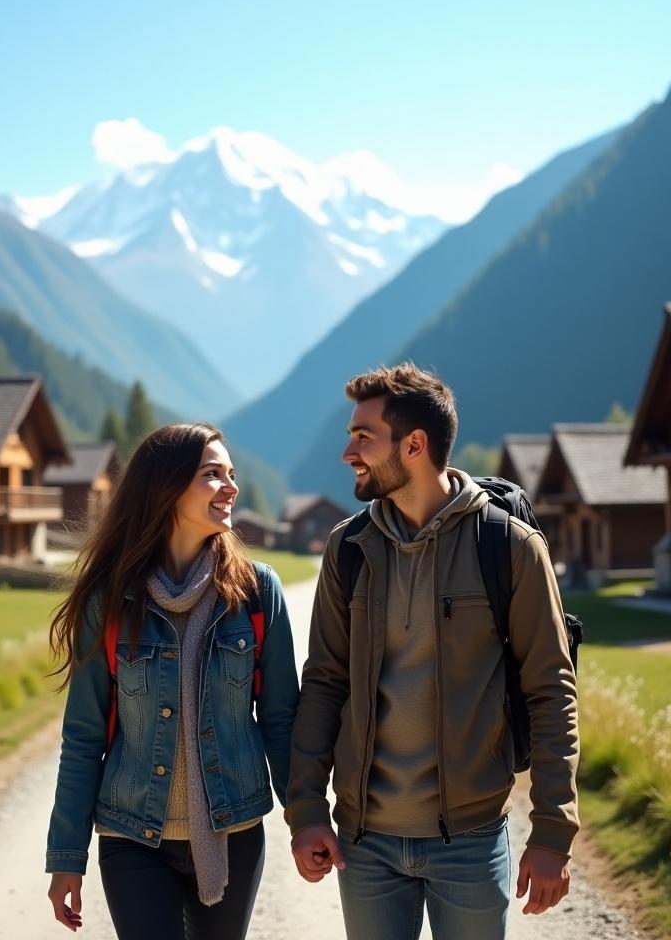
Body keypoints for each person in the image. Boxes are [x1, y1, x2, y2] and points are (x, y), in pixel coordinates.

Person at [286, 363, 579, 940]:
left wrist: (551, 834)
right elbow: (324, 683)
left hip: (471, 842)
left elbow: (551, 691)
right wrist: (306, 811)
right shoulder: (348, 549)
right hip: (364, 844)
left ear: (415, 445)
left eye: (363, 437)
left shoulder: (508, 546)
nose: (349, 452)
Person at [45, 423, 299, 939]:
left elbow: (280, 720)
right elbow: (84, 736)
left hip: (235, 831)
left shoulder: (256, 593)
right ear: (166, 487)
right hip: (132, 834)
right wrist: (67, 856)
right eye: (212, 475)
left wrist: (308, 816)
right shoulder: (110, 601)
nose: (230, 487)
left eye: (231, 475)